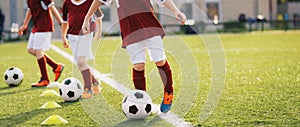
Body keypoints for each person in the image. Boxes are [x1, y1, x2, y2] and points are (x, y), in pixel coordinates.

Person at [82, 0, 186, 113]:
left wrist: (176, 11)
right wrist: (87, 18)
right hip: (129, 29)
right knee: (138, 65)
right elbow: (98, 1)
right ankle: (142, 99)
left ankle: (168, 92)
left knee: (160, 61)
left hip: (149, 25)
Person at [61, 0, 103, 98]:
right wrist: (63, 37)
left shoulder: (91, 1)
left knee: (81, 62)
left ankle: (88, 89)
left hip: (86, 34)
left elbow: (99, 16)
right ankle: (95, 83)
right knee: (80, 64)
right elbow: (64, 21)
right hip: (72, 35)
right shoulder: (67, 3)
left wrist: (99, 31)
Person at [18, 0, 64, 87]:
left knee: (38, 52)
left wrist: (61, 22)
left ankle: (45, 79)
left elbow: (52, 6)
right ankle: (56, 66)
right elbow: (30, 10)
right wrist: (24, 25)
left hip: (44, 25)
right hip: (36, 26)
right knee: (31, 50)